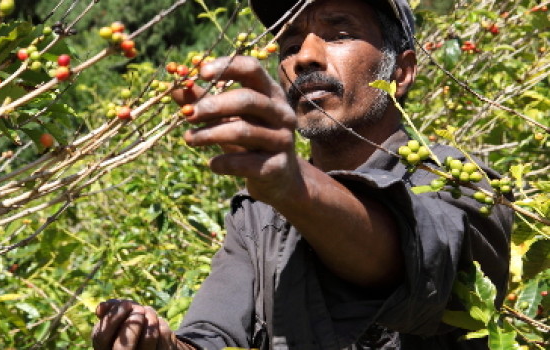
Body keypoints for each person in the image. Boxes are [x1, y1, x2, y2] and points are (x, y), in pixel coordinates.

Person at [91, 0, 513, 349]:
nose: (304, 57)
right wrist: (155, 344)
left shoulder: (459, 182)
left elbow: (411, 256)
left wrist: (293, 185)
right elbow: (212, 337)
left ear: (400, 73)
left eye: (339, 33)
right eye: (290, 44)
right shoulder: (258, 217)